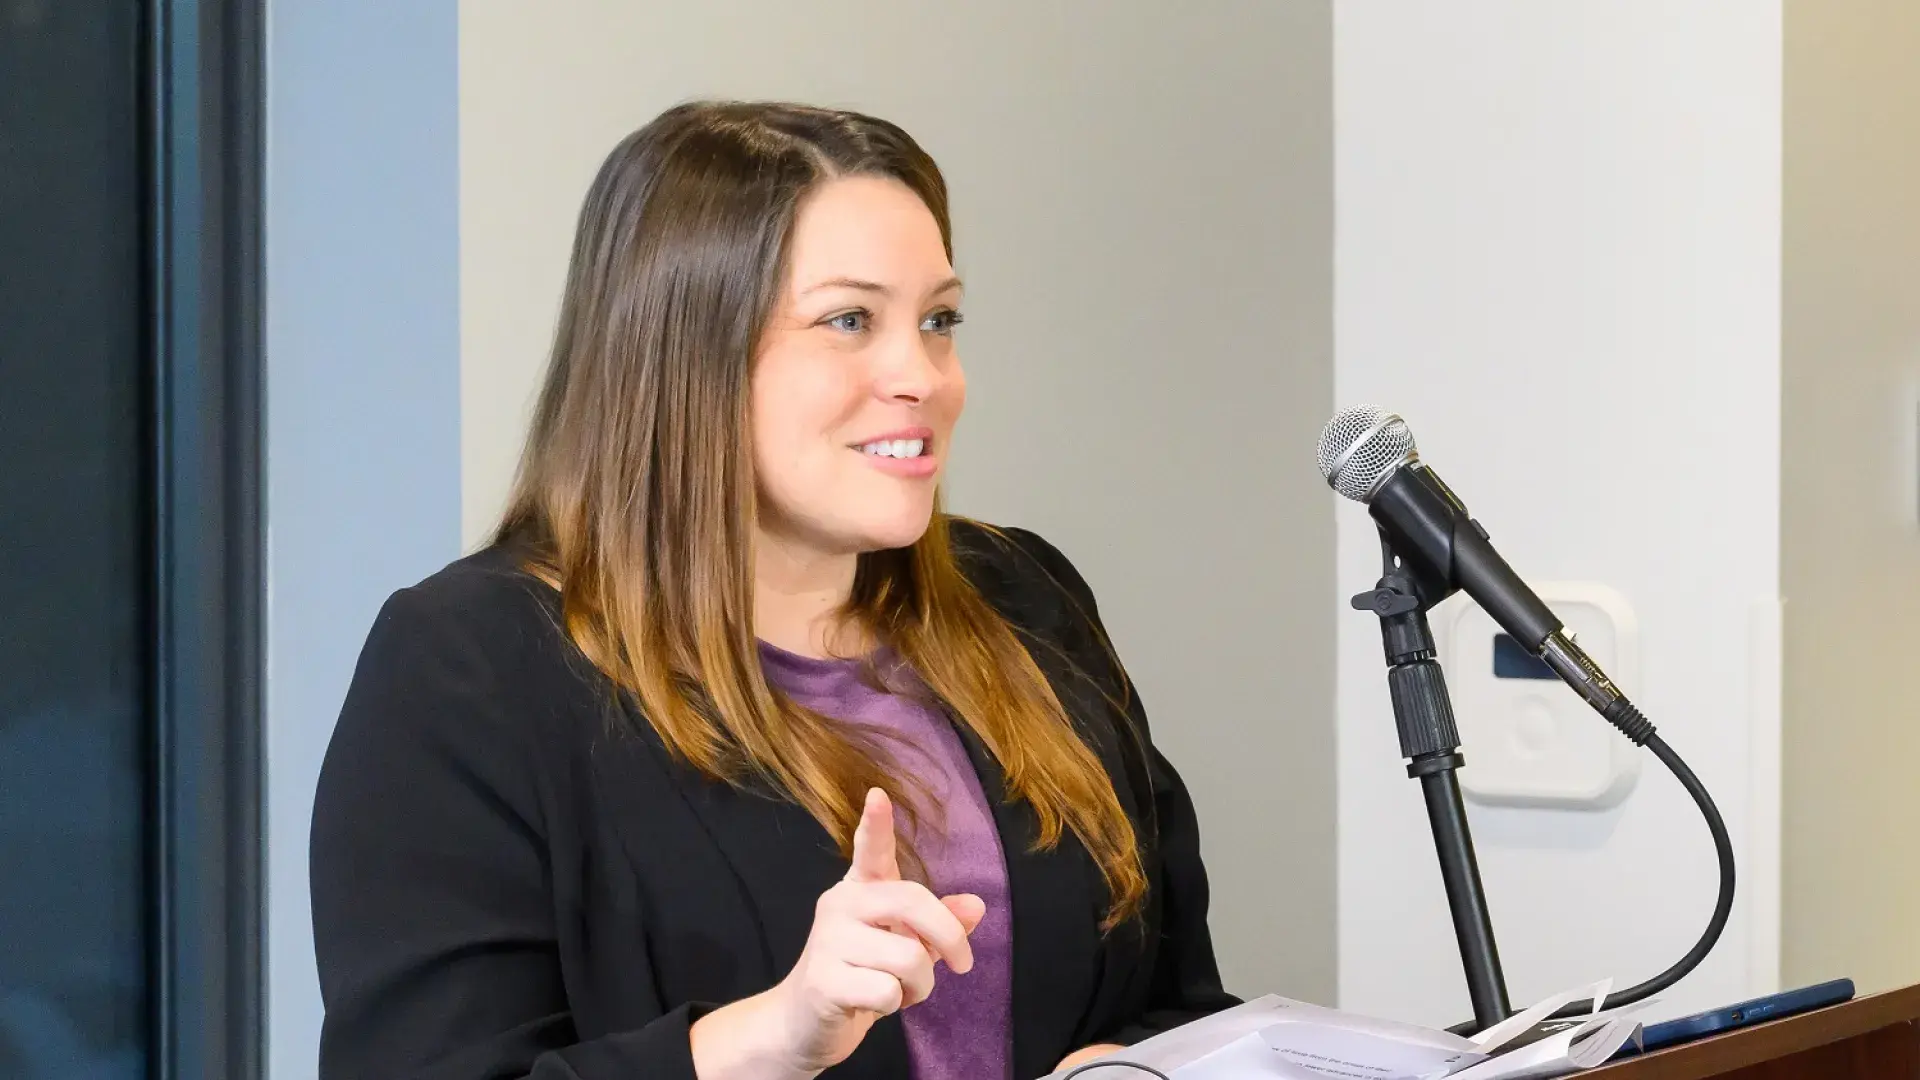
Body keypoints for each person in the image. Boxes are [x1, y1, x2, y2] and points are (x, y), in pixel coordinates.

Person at [309, 100, 1238, 1080]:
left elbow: (1176, 1003)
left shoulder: (1026, 603)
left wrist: (1129, 1068)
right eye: (850, 320)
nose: (922, 374)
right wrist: (776, 1034)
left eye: (938, 320)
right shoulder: (471, 667)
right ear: (684, 355)